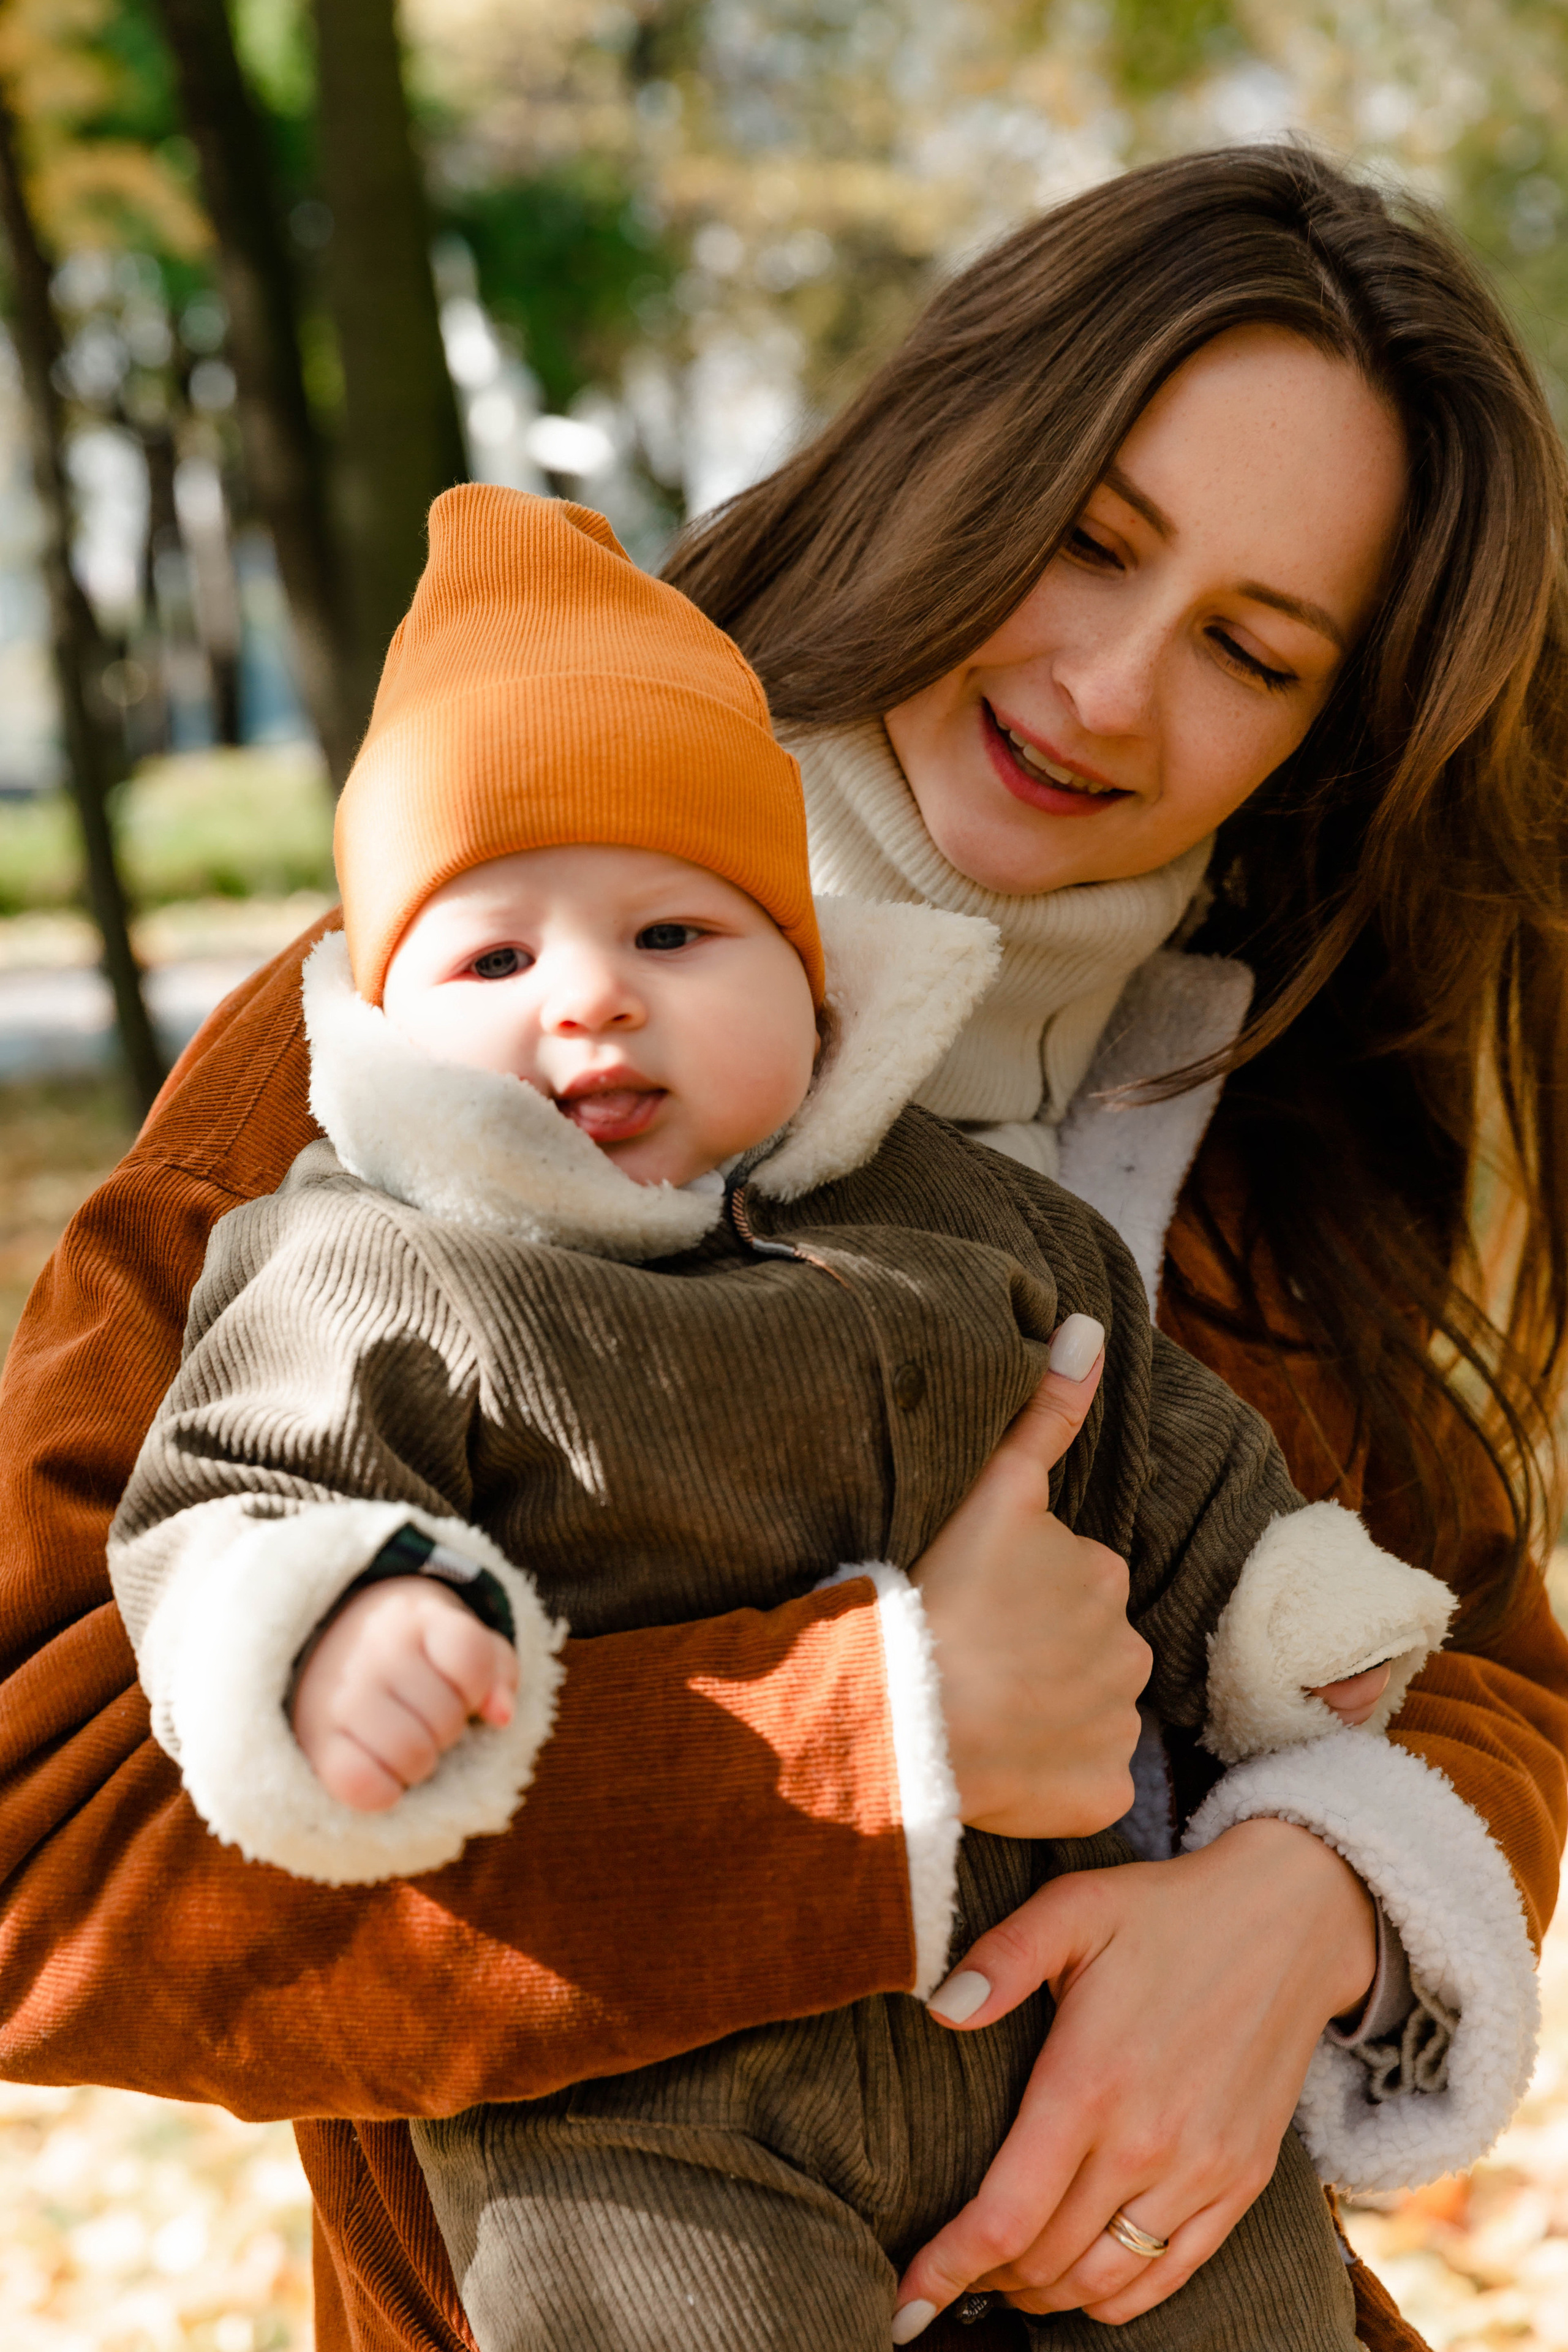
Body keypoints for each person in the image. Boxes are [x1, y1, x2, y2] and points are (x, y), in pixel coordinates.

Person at [2, 143, 1564, 2352]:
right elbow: (40, 1857)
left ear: (1330, 730)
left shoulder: (1261, 1080)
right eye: (1090, 539)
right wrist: (862, 1755)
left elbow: (1482, 1668)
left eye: (1250, 647)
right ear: (953, 454)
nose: (1112, 690)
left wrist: (1314, 1900)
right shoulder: (438, 1025)